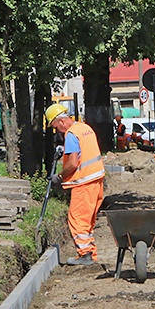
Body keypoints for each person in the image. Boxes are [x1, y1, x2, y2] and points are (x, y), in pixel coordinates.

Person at [45, 103, 106, 265]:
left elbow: (72, 163)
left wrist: (59, 176)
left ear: (62, 121)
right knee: (87, 220)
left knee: (77, 219)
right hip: (96, 180)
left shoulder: (71, 134)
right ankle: (90, 252)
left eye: (56, 127)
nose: (58, 130)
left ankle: (85, 254)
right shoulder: (85, 128)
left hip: (84, 182)